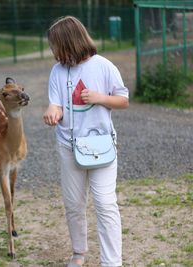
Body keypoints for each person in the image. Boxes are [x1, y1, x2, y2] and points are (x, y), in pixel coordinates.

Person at [43, 16, 129, 267]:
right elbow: (56, 103)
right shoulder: (58, 71)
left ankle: (112, 262)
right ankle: (78, 254)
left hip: (101, 147)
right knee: (73, 204)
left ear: (69, 42)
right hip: (68, 147)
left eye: (54, 45)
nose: (52, 51)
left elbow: (123, 101)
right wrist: (53, 111)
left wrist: (99, 97)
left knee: (105, 203)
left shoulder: (104, 66)